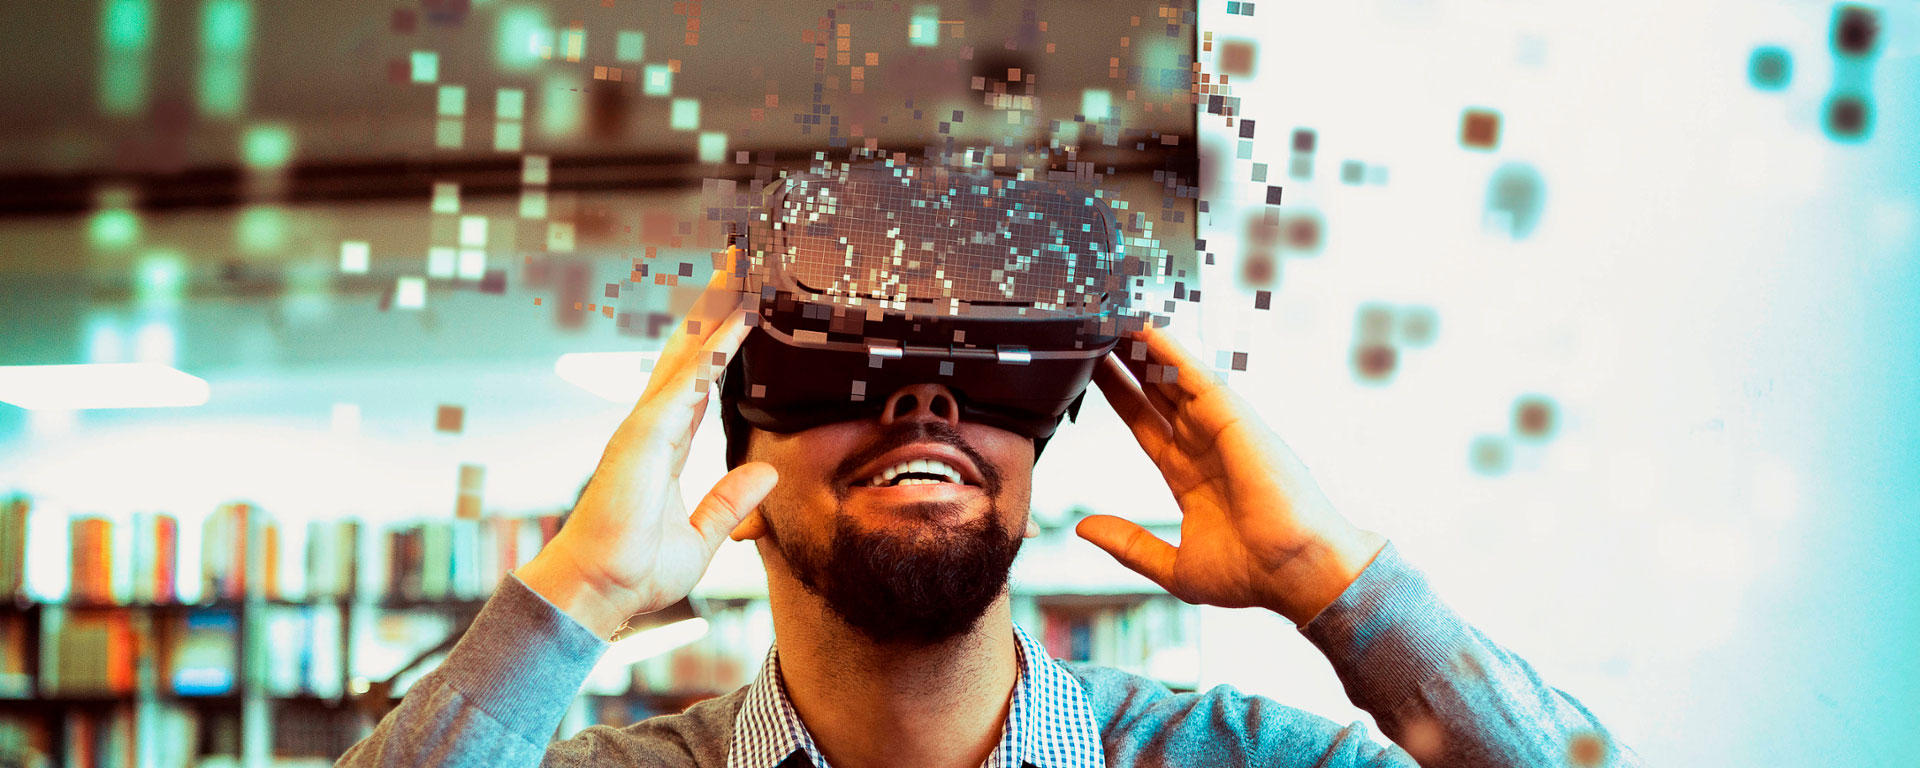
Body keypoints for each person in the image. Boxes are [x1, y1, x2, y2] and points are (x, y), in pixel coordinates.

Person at [338, 262, 1639, 768]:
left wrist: (1342, 588)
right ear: (732, 475)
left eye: (980, 370)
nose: (922, 408)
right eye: (843, 366)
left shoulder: (1251, 767)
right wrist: (567, 602)